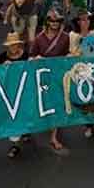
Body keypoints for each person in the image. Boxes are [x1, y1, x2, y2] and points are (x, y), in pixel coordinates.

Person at [31, 9, 70, 149]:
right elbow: (31, 56)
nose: (54, 23)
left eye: (57, 21)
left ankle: (54, 137)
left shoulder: (65, 37)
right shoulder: (38, 38)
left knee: (57, 105)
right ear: (47, 22)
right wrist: (36, 58)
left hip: (58, 76)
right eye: (52, 21)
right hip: (43, 78)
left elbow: (68, 55)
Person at [0, 33, 30, 158]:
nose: (13, 47)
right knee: (13, 118)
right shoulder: (2, 57)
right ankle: (15, 145)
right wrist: (2, 68)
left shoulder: (26, 55)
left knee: (25, 114)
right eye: (11, 45)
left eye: (15, 44)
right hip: (10, 93)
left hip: (25, 91)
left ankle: (26, 132)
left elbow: (32, 71)